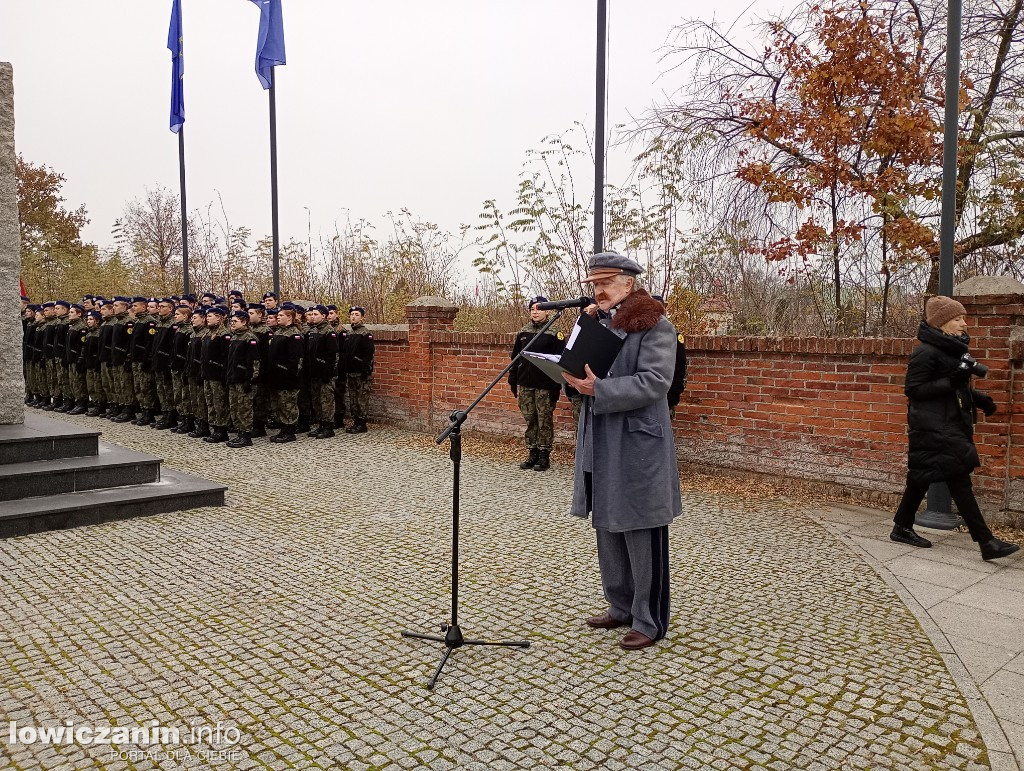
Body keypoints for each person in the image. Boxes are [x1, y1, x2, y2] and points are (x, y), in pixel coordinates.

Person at [563, 252, 682, 651]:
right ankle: (620, 605)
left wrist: (600, 388)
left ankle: (649, 620)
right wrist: (569, 376)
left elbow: (655, 382)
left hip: (637, 444)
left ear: (628, 284)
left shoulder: (656, 327)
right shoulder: (596, 323)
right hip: (600, 437)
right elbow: (583, 372)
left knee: (640, 528)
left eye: (606, 283)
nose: (598, 290)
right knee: (607, 523)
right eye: (595, 284)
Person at [891, 296, 1020, 561]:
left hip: (947, 422)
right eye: (958, 318)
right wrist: (954, 380)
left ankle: (901, 527)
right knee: (959, 478)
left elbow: (955, 386)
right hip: (934, 426)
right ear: (942, 323)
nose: (964, 323)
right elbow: (914, 390)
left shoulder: (951, 348)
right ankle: (986, 542)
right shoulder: (925, 352)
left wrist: (979, 399)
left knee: (921, 476)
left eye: (963, 317)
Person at [508, 296, 565, 471]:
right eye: (532, 309)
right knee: (530, 418)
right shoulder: (523, 332)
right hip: (526, 383)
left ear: (547, 311)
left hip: (545, 385)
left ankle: (544, 455)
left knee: (544, 420)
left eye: (539, 309)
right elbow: (515, 358)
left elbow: (560, 361)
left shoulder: (555, 332)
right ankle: (532, 452)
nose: (535, 312)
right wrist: (513, 378)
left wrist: (556, 385)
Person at [268, 304, 306, 443]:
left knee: (288, 404)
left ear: (289, 317)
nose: (278, 317)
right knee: (279, 404)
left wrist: (291, 376)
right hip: (276, 376)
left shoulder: (294, 335)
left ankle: (289, 431)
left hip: (288, 377)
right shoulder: (279, 332)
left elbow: (296, 359)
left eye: (281, 315)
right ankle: (283, 428)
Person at [225, 310, 261, 448]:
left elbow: (254, 362)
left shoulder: (250, 338)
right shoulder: (235, 337)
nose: (232, 324)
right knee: (235, 407)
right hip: (234, 378)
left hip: (244, 380)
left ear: (244, 322)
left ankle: (246, 435)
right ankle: (240, 432)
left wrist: (250, 380)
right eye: (231, 322)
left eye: (235, 321)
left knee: (244, 408)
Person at [304, 304, 340, 439]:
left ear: (323, 316)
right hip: (315, 372)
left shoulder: (328, 332)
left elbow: (333, 355)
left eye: (315, 314)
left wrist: (328, 372)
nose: (312, 317)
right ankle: (321, 424)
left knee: (326, 400)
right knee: (317, 400)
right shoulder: (313, 331)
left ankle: (328, 426)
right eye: (311, 314)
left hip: (326, 373)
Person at [200, 306, 233, 443]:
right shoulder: (208, 333)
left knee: (220, 403)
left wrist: (224, 374)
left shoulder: (224, 334)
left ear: (219, 318)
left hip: (218, 375)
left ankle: (222, 429)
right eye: (207, 317)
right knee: (211, 402)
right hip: (208, 374)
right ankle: (214, 427)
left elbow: (226, 357)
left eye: (210, 316)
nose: (207, 319)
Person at [342, 306, 374, 433]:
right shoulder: (349, 333)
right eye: (351, 314)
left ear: (362, 317)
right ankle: (356, 421)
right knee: (353, 398)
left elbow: (368, 354)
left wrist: (366, 370)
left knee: (362, 398)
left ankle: (362, 423)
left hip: (361, 372)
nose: (353, 317)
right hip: (351, 371)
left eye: (356, 314)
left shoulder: (365, 334)